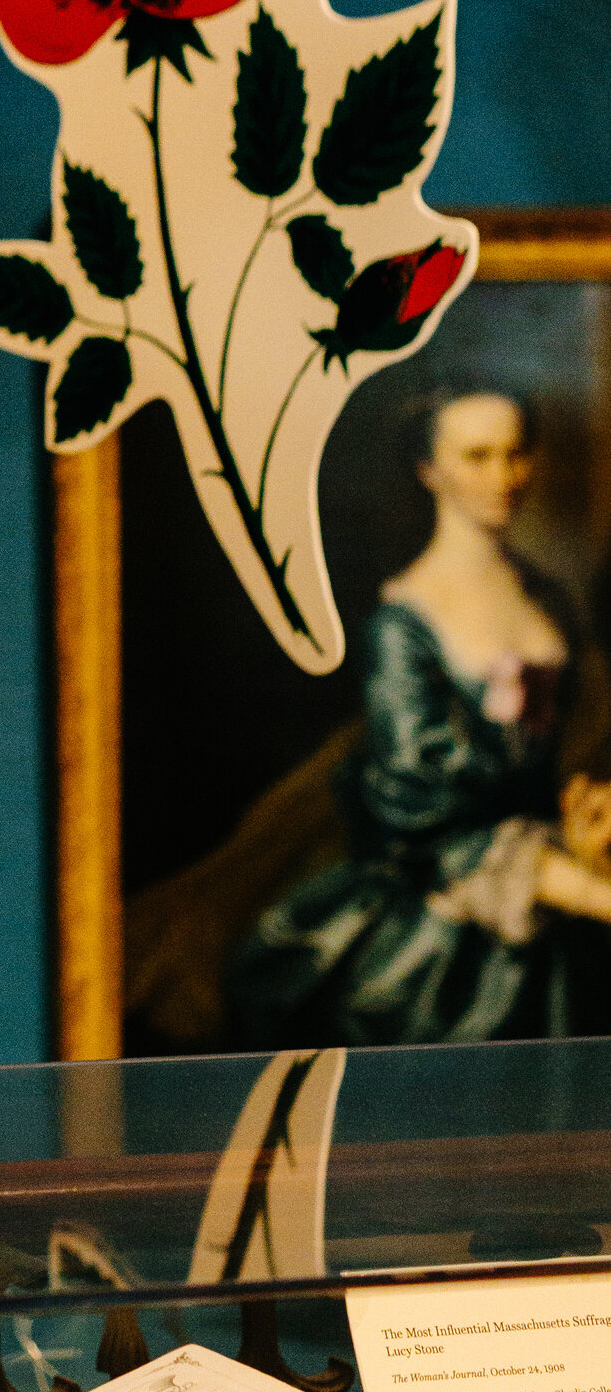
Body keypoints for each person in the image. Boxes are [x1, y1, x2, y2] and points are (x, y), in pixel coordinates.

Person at [230, 386, 611, 1048]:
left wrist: (579, 819)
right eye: (477, 456)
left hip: (551, 894)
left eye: (517, 454)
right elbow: (420, 803)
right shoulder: (404, 622)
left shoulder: (549, 596)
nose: (502, 477)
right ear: (430, 470)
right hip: (443, 915)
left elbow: (560, 751)